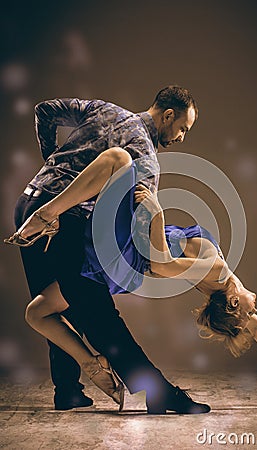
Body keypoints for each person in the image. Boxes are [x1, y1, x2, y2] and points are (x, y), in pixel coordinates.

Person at [7, 150, 257, 408]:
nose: (255, 311)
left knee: (118, 159)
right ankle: (91, 363)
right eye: (250, 313)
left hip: (125, 253)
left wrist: (156, 211)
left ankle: (47, 213)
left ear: (231, 301)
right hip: (118, 272)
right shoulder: (220, 281)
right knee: (36, 313)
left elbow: (161, 264)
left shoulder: (215, 269)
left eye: (246, 311)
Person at [4, 87, 211, 414]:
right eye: (183, 128)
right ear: (168, 115)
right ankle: (157, 391)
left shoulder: (103, 109)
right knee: (97, 310)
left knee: (52, 301)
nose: (182, 137)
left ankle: (68, 390)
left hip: (29, 202)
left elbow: (45, 109)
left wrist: (52, 164)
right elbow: (141, 227)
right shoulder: (144, 153)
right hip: (65, 220)